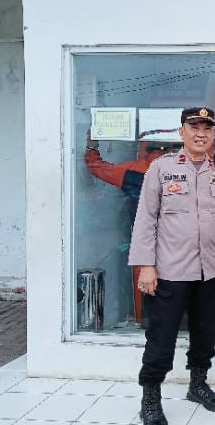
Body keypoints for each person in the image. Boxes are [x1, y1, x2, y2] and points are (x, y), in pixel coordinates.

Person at [128, 107, 215, 425]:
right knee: (161, 338)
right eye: (194, 127)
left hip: (210, 272)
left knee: (205, 333)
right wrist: (145, 266)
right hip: (170, 272)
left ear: (214, 133)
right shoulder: (161, 168)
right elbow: (145, 218)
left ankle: (198, 385)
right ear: (182, 132)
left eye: (207, 128)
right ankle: (150, 399)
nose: (201, 133)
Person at [85, 135, 169, 324]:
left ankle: (144, 321)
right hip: (180, 246)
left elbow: (97, 167)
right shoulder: (185, 169)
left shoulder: (132, 170)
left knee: (145, 294)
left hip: (144, 245)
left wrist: (92, 146)